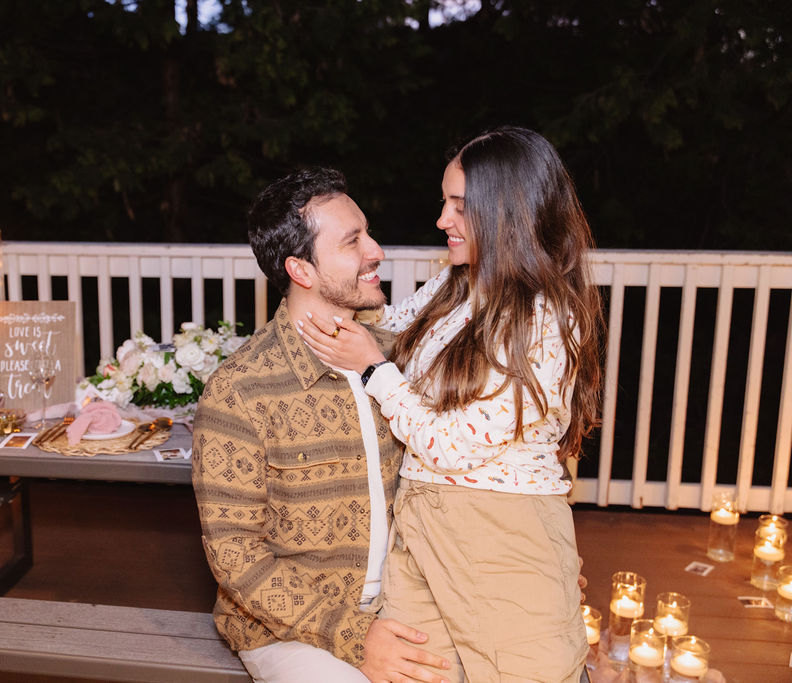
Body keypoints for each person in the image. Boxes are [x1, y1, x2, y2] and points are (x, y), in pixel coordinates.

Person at [299, 126, 603, 682]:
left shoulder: (546, 317)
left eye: (460, 206)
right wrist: (325, 296)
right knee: (418, 672)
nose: (442, 219)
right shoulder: (459, 284)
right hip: (422, 520)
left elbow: (455, 444)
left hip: (500, 528)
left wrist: (374, 370)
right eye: (445, 202)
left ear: (508, 211)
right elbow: (390, 323)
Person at [191, 167, 452, 683]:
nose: (376, 250)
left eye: (368, 232)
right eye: (353, 241)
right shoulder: (240, 390)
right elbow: (235, 555)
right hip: (288, 628)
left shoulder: (402, 359)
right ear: (302, 271)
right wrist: (357, 637)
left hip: (407, 599)